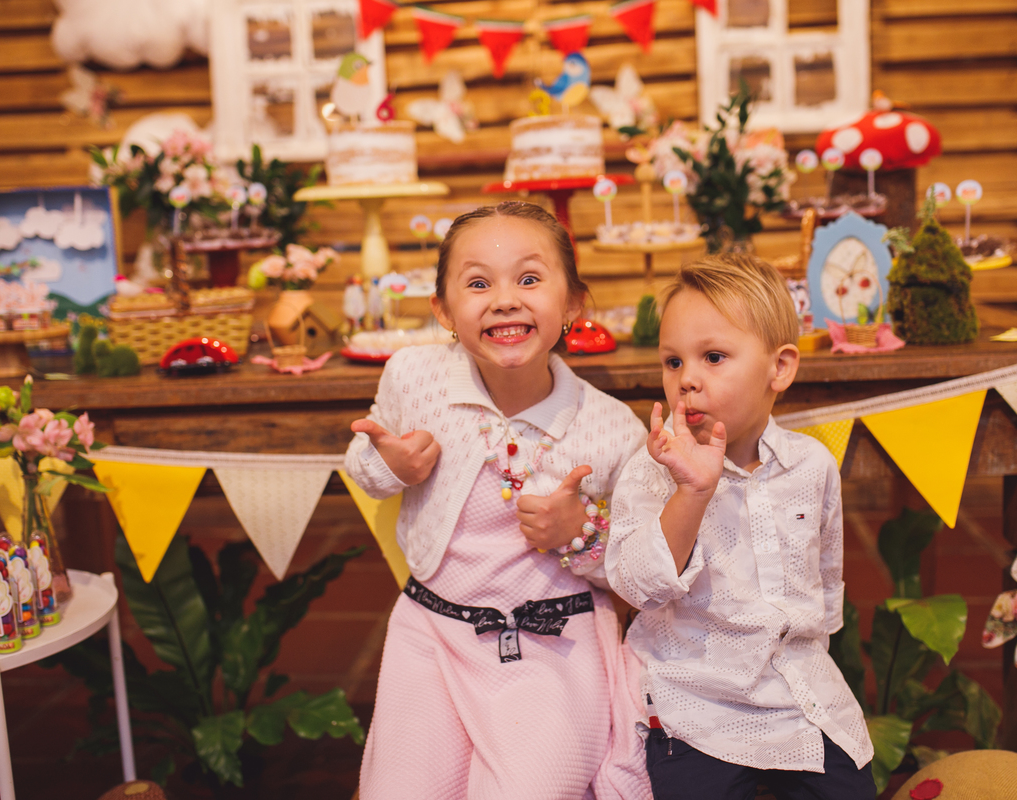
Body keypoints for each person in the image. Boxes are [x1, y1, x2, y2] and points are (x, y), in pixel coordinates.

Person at [346, 201, 652, 800]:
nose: (505, 300)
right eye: (479, 283)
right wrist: (388, 466)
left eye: (529, 279)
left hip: (553, 645)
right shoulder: (414, 378)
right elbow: (365, 461)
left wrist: (580, 532)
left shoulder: (612, 429)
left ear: (573, 305)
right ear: (443, 310)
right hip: (432, 635)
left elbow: (638, 564)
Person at [606, 254, 874, 800]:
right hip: (695, 702)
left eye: (713, 357)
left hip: (798, 691)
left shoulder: (812, 465)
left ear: (780, 368)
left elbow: (826, 579)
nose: (687, 380)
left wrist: (813, 648)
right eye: (673, 362)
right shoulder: (653, 470)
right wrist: (692, 492)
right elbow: (637, 587)